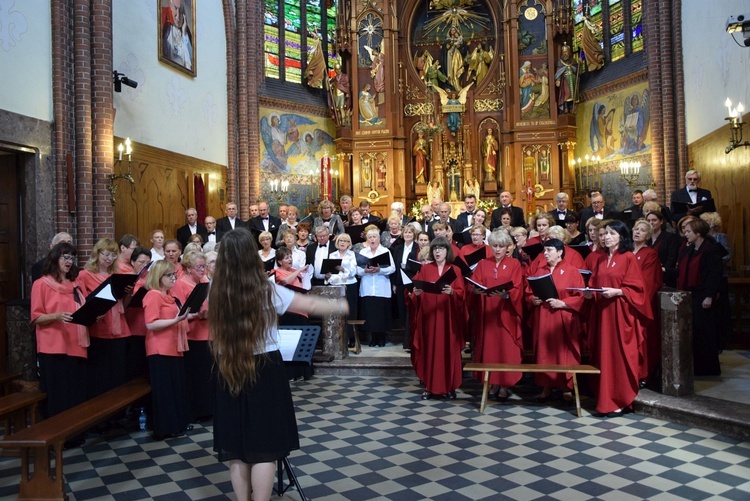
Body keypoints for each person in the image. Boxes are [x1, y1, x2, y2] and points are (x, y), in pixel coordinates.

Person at [209, 229, 347, 501]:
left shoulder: (215, 289)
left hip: (228, 366)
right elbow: (305, 303)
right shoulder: (265, 288)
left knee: (236, 450)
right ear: (251, 256)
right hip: (264, 368)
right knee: (266, 447)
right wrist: (339, 305)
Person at [587, 220, 649, 416]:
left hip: (620, 313)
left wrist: (618, 292)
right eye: (604, 234)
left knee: (619, 355)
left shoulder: (628, 257)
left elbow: (637, 288)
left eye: (611, 233)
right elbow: (594, 282)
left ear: (621, 236)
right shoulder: (600, 259)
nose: (606, 237)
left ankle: (621, 398)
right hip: (603, 313)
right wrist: (590, 292)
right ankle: (606, 398)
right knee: (604, 355)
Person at [31, 242, 88, 421]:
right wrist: (55, 316)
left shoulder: (76, 284)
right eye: (65, 256)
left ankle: (75, 433)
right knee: (58, 392)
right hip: (53, 346)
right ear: (55, 258)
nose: (69, 261)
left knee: (74, 390)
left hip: (76, 343)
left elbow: (84, 309)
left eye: (72, 257)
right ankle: (58, 433)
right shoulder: (41, 284)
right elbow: (36, 317)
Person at [527, 238, 586, 402]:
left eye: (549, 250)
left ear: (560, 252)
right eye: (544, 250)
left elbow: (580, 296)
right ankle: (546, 386)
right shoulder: (539, 270)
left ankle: (566, 387)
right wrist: (533, 299)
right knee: (545, 351)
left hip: (563, 317)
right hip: (544, 316)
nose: (545, 253)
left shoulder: (572, 270)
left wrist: (564, 303)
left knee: (563, 352)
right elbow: (528, 292)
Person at [408, 237, 466, 400]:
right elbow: (417, 292)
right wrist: (417, 294)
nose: (438, 251)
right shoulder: (426, 269)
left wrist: (453, 293)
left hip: (448, 318)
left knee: (448, 350)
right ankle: (429, 386)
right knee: (429, 350)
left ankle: (449, 386)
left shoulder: (455, 270)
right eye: (435, 249)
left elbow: (462, 294)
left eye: (441, 248)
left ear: (448, 251)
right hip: (430, 317)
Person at [467, 229, 522, 403]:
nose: (497, 249)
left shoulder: (514, 264)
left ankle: (504, 384)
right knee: (490, 348)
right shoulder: (483, 264)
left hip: (506, 312)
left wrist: (506, 295)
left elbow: (518, 287)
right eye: (494, 246)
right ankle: (491, 381)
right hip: (487, 313)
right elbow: (474, 284)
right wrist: (475, 290)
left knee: (505, 349)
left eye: (501, 246)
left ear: (507, 247)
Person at [142, 260, 191, 439]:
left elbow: (177, 316)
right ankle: (166, 428)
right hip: (159, 348)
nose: (173, 278)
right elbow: (151, 324)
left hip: (173, 346)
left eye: (174, 275)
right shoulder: (153, 295)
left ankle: (177, 425)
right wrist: (176, 320)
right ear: (158, 276)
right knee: (165, 391)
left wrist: (190, 315)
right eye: (169, 275)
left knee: (175, 387)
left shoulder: (169, 296)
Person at [78, 238, 131, 398]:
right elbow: (82, 304)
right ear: (97, 253)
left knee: (118, 374)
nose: (109, 259)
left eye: (113, 255)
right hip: (99, 329)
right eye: (106, 254)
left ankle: (118, 415)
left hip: (120, 328)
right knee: (100, 376)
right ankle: (101, 418)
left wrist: (128, 293)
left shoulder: (118, 275)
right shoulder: (85, 275)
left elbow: (124, 305)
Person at [677, 218, 722, 376]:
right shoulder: (690, 249)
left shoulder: (710, 249)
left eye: (688, 231)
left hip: (704, 295)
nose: (686, 234)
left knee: (705, 332)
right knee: (694, 331)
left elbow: (714, 275)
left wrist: (709, 296)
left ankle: (708, 368)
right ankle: (696, 366)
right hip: (691, 294)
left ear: (698, 233)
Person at [172, 250, 213, 422]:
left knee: (209, 374)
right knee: (198, 374)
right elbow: (178, 313)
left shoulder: (204, 281)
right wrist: (198, 314)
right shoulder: (180, 284)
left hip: (210, 332)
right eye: (199, 267)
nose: (203, 270)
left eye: (204, 266)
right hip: (194, 335)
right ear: (188, 268)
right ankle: (198, 410)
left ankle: (209, 408)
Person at [632, 219, 664, 384]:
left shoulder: (649, 254)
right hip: (627, 303)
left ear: (648, 235)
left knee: (644, 340)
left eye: (642, 230)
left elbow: (649, 282)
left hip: (641, 305)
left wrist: (635, 300)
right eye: (636, 228)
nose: (637, 232)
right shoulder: (628, 253)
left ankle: (644, 374)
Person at [357, 228, 395, 347]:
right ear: (367, 240)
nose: (372, 239)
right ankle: (373, 338)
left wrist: (380, 270)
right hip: (368, 287)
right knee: (370, 314)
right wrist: (365, 270)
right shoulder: (363, 252)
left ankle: (381, 338)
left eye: (374, 237)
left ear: (379, 239)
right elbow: (357, 270)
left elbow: (392, 268)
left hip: (381, 287)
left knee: (381, 314)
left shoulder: (385, 251)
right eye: (370, 237)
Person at [701, 212, 733, 349]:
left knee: (721, 307)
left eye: (707, 220)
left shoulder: (721, 237)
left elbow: (728, 255)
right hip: (705, 276)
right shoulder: (702, 238)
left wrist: (713, 261)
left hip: (720, 276)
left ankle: (724, 339)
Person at [325, 233, 359, 347]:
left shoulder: (352, 254)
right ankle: (337, 338)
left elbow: (353, 272)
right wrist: (328, 275)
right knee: (336, 311)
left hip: (350, 285)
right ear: (337, 242)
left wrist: (343, 269)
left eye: (345, 241)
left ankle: (351, 338)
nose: (343, 243)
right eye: (340, 241)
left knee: (350, 312)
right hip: (336, 285)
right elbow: (330, 271)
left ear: (349, 243)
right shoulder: (332, 255)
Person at [124, 246, 151, 381]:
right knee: (135, 371)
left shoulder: (151, 280)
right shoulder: (127, 279)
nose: (144, 266)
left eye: (148, 263)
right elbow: (122, 306)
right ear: (133, 262)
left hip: (149, 329)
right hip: (133, 327)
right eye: (141, 262)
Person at [161, 0, 193, 71]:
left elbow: (190, 64)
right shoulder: (162, 17)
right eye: (175, 8)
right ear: (170, 5)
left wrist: (184, 34)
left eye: (181, 10)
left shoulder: (186, 30)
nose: (178, 15)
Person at [555, 43, 577, 114]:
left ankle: (572, 108)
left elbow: (577, 70)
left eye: (566, 52)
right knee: (566, 94)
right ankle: (566, 108)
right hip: (565, 80)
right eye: (564, 52)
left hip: (573, 79)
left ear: (569, 52)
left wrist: (580, 62)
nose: (565, 54)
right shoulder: (560, 62)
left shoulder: (573, 61)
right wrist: (558, 80)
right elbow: (559, 72)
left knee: (573, 94)